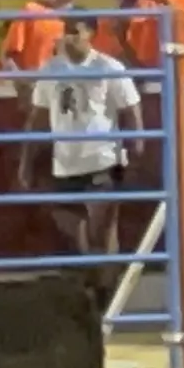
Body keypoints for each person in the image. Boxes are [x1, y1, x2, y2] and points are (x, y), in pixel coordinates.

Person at [21, 16, 142, 258]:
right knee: (77, 226)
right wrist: (26, 163)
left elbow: (132, 111)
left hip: (104, 160)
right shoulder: (51, 69)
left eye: (75, 32)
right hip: (66, 164)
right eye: (66, 31)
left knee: (103, 230)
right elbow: (37, 119)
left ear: (91, 33)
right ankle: (98, 281)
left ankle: (106, 286)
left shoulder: (109, 67)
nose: (69, 38)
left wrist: (137, 151)